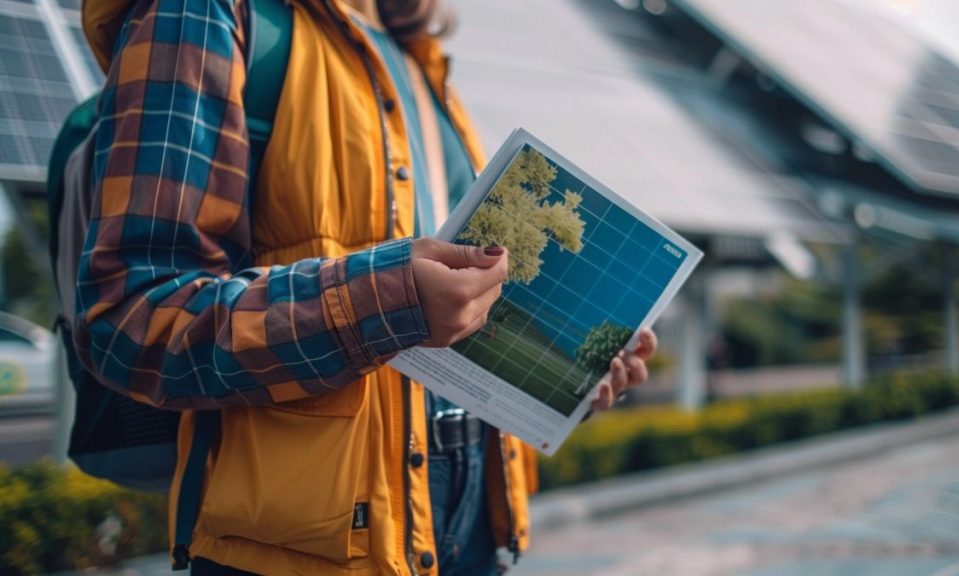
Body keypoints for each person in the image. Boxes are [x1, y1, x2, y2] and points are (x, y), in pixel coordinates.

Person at [77, 0, 658, 574]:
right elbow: (132, 318)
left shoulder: (422, 64)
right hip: (305, 543)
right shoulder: (203, 13)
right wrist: (387, 301)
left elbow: (454, 315)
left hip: (471, 517)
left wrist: (563, 383)